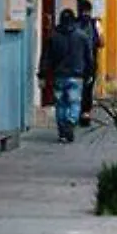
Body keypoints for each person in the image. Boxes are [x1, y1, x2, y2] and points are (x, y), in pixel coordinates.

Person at [38, 9, 93, 143]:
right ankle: (71, 120)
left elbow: (46, 57)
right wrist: (90, 73)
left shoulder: (53, 36)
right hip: (76, 75)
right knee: (74, 102)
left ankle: (63, 131)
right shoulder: (82, 36)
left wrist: (42, 75)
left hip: (59, 75)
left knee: (60, 104)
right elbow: (89, 57)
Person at [76, 0, 104, 127]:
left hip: (75, 62)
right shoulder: (95, 23)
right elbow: (101, 42)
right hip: (90, 62)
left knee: (76, 88)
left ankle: (74, 113)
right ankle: (85, 114)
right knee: (88, 89)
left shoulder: (73, 23)